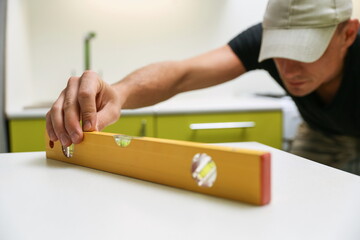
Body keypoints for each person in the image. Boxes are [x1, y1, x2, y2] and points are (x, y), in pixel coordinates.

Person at [46, 0, 360, 175]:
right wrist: (120, 91)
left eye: (305, 51)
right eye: (278, 51)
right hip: (322, 131)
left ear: (347, 34)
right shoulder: (259, 40)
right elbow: (182, 74)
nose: (288, 69)